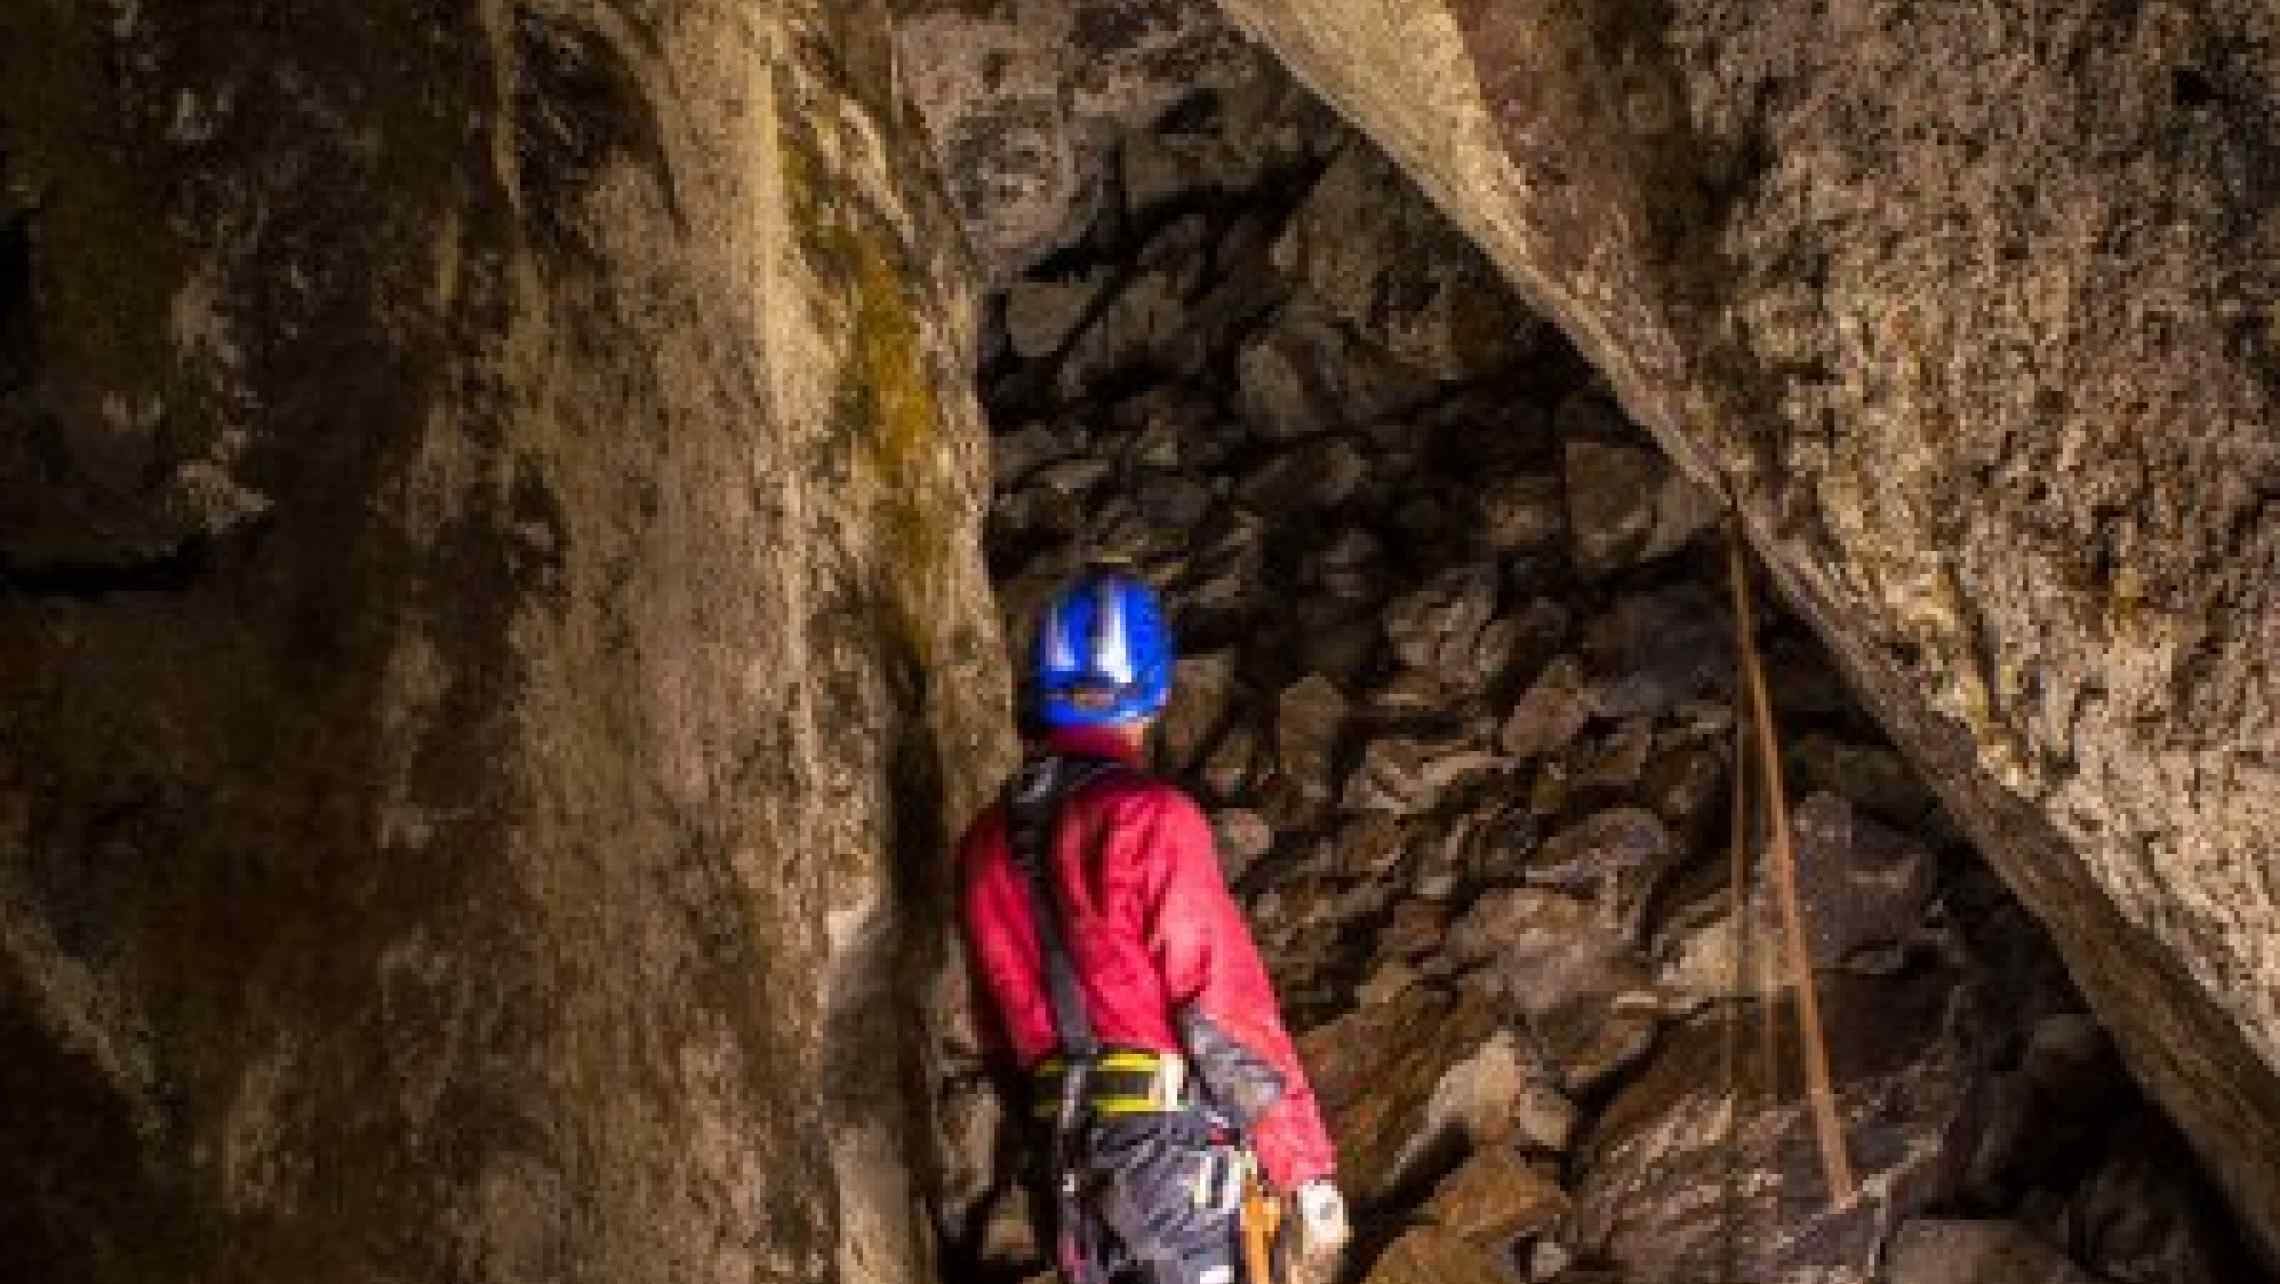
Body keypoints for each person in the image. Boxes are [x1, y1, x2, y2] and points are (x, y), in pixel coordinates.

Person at [957, 565, 1349, 1284]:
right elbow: (1223, 1012)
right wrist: (1304, 1172)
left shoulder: (983, 845)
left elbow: (997, 1031)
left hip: (1064, 1161)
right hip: (1164, 1163)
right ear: (1156, 688)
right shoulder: (1153, 820)